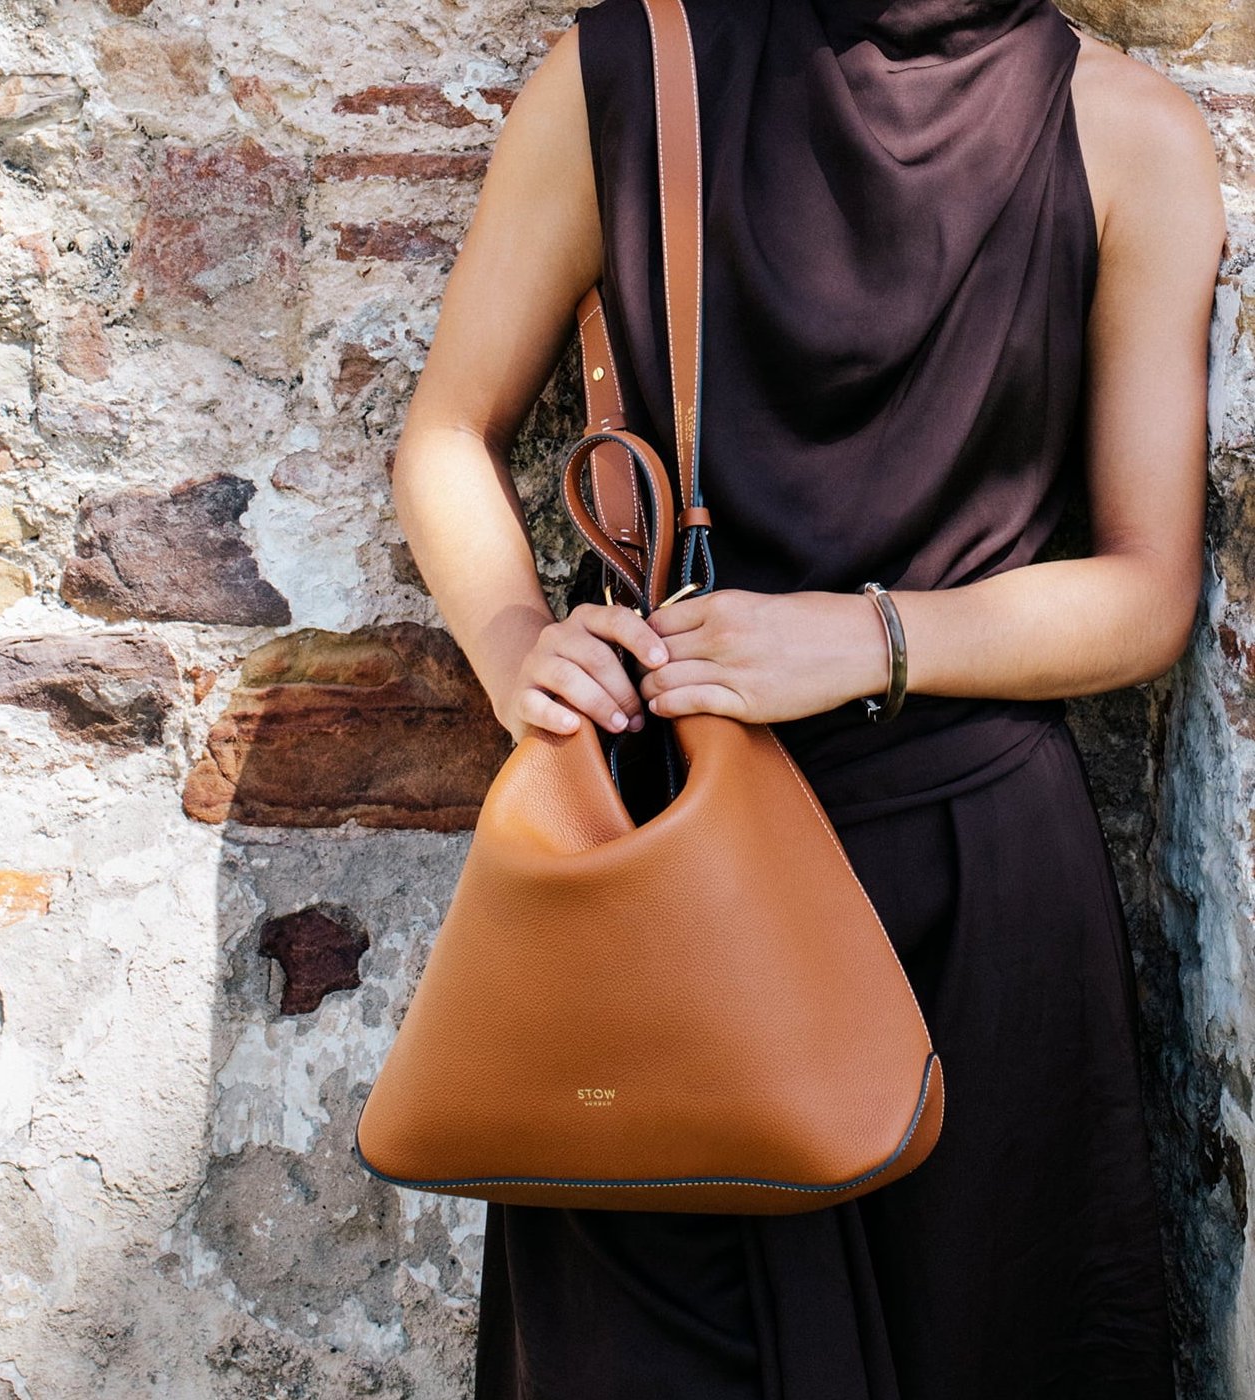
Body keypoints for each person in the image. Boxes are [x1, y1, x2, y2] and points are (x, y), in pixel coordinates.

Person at [386, 0, 1227, 1395]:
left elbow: (1148, 592)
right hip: (662, 888)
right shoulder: (629, 71)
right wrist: (512, 641)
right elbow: (445, 433)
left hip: (971, 910)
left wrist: (877, 638)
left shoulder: (1131, 133)